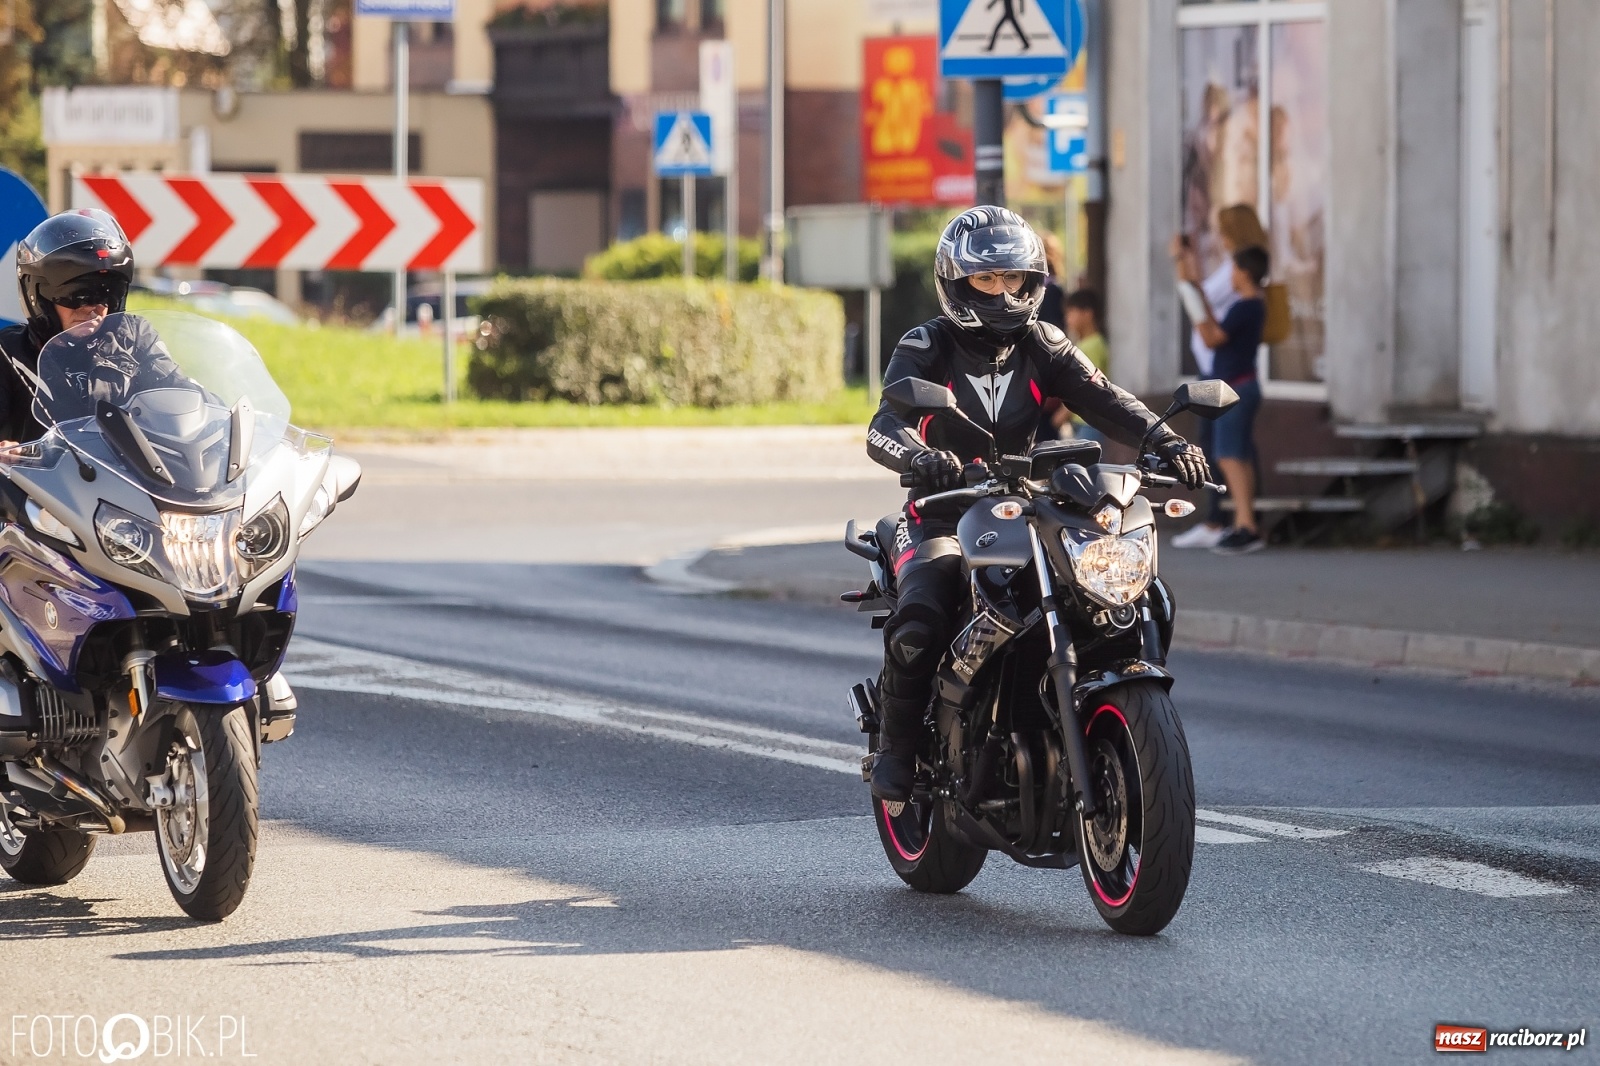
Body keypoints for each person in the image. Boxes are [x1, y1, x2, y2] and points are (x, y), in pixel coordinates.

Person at [865, 207, 1212, 802]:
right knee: (922, 616)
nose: (1003, 293)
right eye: (986, 280)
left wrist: (1166, 439)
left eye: (1014, 279)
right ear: (955, 281)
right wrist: (919, 455)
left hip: (1026, 508)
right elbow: (883, 425)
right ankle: (896, 754)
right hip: (942, 512)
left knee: (1137, 591)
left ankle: (1083, 707)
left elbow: (1105, 399)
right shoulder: (926, 344)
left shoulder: (1043, 342)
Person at [1169, 203, 1267, 549]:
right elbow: (1209, 304)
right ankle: (1241, 521)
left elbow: (1213, 334)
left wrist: (1199, 314)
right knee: (1233, 453)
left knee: (1227, 455)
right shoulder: (1249, 304)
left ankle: (1243, 523)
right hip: (1234, 382)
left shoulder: (1246, 304)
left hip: (1232, 385)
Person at [0, 209, 135, 445]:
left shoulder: (134, 340)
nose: (92, 307)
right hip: (31, 481)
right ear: (40, 298)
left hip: (127, 479)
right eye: (77, 295)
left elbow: (181, 397)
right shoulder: (8, 353)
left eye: (108, 294)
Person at [1062, 288, 1109, 447]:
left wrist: (1063, 413)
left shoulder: (1094, 345)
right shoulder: (1083, 343)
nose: (1068, 319)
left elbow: (1087, 386)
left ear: (1087, 314)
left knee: (1087, 468)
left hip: (1089, 422)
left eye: (1071, 313)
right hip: (1080, 420)